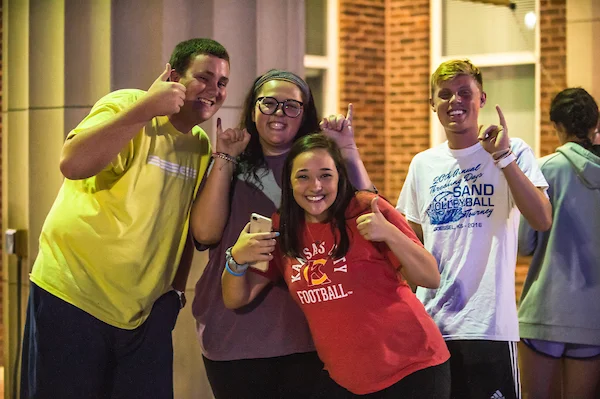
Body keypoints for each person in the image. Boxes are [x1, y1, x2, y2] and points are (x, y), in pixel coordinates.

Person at [20, 38, 230, 399]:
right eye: (204, 77)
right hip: (73, 297)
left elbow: (184, 227)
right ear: (174, 76)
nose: (214, 90)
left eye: (223, 82)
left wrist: (176, 294)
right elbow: (72, 164)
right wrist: (145, 108)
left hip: (142, 316)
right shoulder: (128, 103)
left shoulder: (199, 144)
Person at [190, 69, 375, 398]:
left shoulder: (317, 167)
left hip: (308, 334)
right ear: (252, 109)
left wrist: (347, 149)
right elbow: (204, 233)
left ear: (305, 114)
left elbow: (371, 218)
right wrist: (224, 157)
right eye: (269, 103)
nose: (279, 113)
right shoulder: (233, 161)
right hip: (236, 335)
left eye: (292, 106)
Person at [221, 133, 451, 398]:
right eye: (303, 176)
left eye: (326, 175)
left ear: (340, 177)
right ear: (290, 182)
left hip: (413, 368)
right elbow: (236, 297)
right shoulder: (282, 228)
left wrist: (389, 233)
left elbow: (430, 277)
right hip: (346, 379)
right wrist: (236, 258)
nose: (315, 186)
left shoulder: (366, 209)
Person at [396, 59, 553, 399]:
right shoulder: (423, 164)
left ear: (481, 99)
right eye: (445, 94)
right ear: (432, 105)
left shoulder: (514, 151)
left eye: (465, 92)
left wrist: (503, 159)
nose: (455, 101)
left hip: (489, 328)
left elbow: (542, 219)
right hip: (431, 329)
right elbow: (410, 246)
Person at [517, 87, 600, 399]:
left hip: (545, 312)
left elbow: (525, 243)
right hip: (593, 317)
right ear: (595, 125)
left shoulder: (546, 168)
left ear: (558, 126)